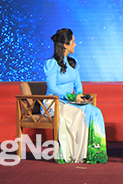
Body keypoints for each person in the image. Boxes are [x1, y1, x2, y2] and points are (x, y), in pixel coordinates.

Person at [44, 28, 107, 163]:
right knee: (79, 113)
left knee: (93, 111)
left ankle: (90, 152)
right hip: (54, 101)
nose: (75, 44)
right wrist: (71, 97)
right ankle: (73, 154)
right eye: (73, 42)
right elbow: (52, 88)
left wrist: (80, 96)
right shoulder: (52, 64)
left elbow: (78, 85)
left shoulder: (73, 64)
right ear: (65, 45)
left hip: (69, 102)